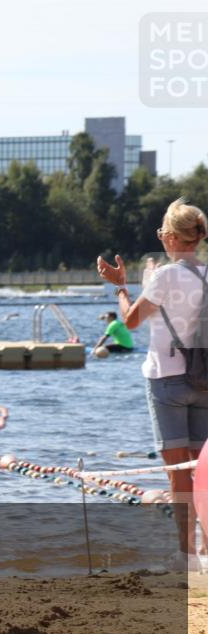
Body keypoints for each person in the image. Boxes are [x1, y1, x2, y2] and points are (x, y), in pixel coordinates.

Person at [97, 197, 208, 571]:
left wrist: (121, 287)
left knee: (178, 475)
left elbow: (129, 321)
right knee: (203, 472)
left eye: (162, 230)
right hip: (205, 380)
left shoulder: (164, 275)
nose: (160, 235)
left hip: (166, 379)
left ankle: (186, 556)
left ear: (174, 237)